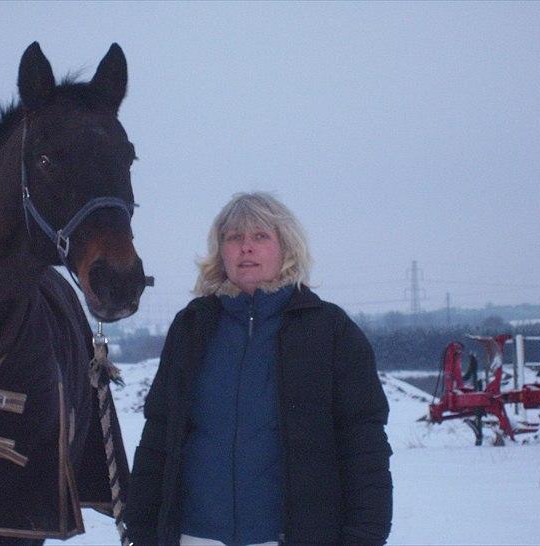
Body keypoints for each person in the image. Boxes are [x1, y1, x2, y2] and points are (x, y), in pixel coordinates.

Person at [124, 192, 392, 546]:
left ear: (286, 247)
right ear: (221, 251)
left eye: (260, 237)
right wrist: (142, 528)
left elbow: (364, 445)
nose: (245, 248)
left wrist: (364, 537)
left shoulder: (330, 331)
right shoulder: (192, 327)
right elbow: (160, 436)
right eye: (234, 238)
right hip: (195, 536)